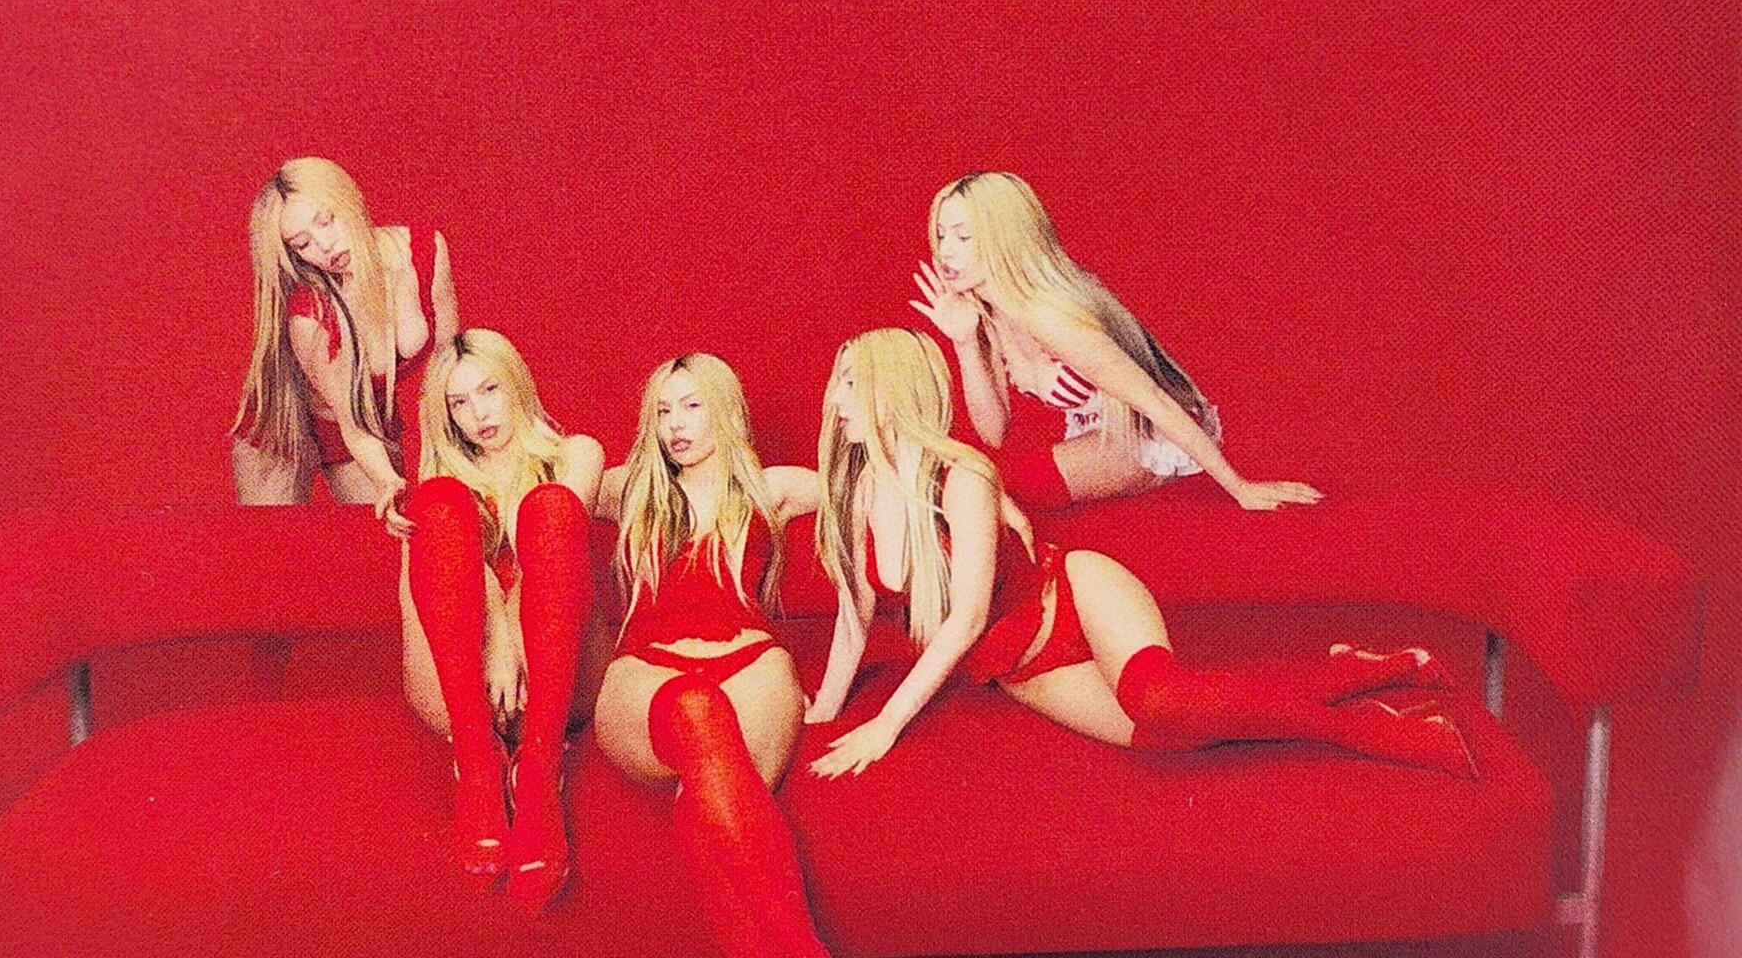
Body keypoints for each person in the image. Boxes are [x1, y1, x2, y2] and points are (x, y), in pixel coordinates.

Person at [805, 328, 1475, 782]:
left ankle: (1370, 732)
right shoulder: (853, 496)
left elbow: (965, 618)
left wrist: (886, 726)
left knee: (1160, 699)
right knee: (1174, 731)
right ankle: (1359, 670)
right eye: (837, 384)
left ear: (896, 390)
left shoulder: (963, 481)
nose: (835, 401)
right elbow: (854, 619)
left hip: (1076, 595)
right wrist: (823, 714)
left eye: (851, 384)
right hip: (1023, 666)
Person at [590, 354, 832, 958]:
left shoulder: (770, 487)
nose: (676, 424)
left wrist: (986, 493)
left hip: (752, 665)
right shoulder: (627, 489)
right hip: (647, 670)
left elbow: (883, 482)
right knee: (695, 709)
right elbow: (531, 483)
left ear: (726, 409)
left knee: (710, 803)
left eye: (692, 406)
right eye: (663, 411)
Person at [911, 170, 1319, 512]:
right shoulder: (988, 316)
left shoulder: (1051, 321)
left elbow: (1154, 401)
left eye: (963, 237)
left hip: (1152, 435)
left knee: (1012, 486)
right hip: (1099, 433)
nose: (945, 252)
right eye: (941, 235)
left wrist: (1240, 488)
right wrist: (965, 343)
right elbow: (994, 433)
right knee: (975, 486)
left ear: (1008, 239)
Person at [400, 330, 604, 914]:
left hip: (555, 680)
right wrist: (491, 624)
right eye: (459, 403)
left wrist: (512, 633)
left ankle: (537, 775)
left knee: (552, 509)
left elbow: (551, 559)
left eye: (489, 390)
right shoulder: (444, 484)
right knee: (435, 507)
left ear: (517, 383)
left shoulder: (577, 454)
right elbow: (437, 589)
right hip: (463, 689)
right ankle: (478, 765)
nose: (478, 414)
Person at [230, 156, 457, 525]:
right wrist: (386, 480)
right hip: (283, 424)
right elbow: (351, 424)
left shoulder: (426, 252)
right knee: (273, 548)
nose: (324, 245)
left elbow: (448, 369)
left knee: (384, 534)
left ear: (349, 198)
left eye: (327, 220)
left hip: (365, 417)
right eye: (302, 243)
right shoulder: (310, 315)